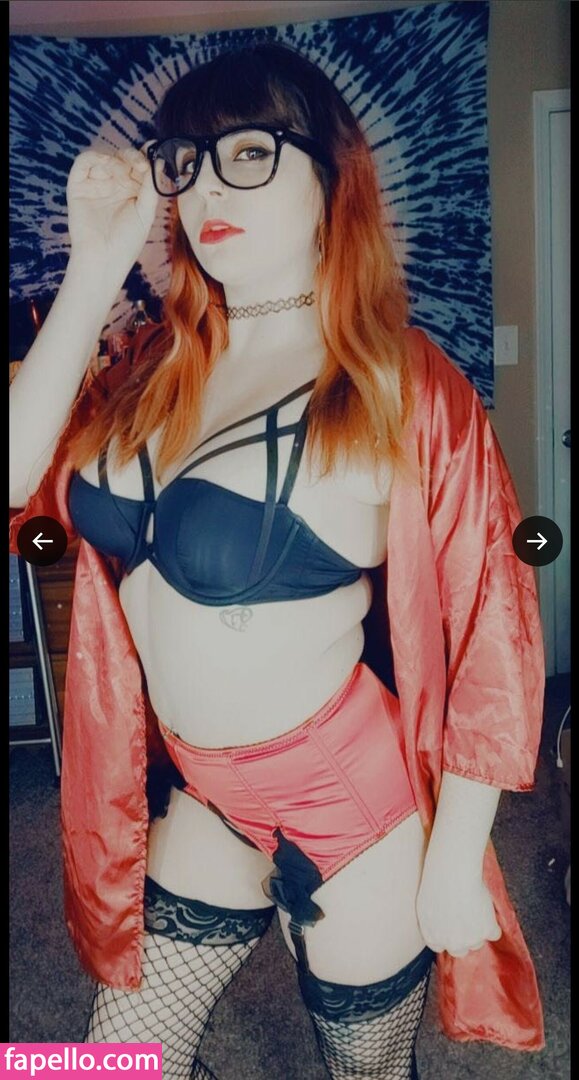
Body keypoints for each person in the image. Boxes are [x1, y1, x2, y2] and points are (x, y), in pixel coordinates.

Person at [9, 42, 545, 1079]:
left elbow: (494, 620)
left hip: (355, 810)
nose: (208, 187)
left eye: (249, 153)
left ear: (331, 179)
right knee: (104, 1064)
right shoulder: (151, 364)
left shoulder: (395, 380)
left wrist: (453, 860)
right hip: (205, 794)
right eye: (187, 160)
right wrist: (93, 268)